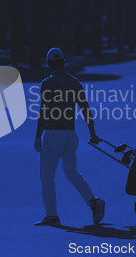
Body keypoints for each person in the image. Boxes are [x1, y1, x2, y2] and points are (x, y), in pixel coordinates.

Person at [34, 47, 105, 226]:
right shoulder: (74, 82)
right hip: (70, 135)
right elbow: (85, 108)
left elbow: (44, 111)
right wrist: (93, 133)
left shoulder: (47, 82)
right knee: (71, 172)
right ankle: (93, 202)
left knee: (46, 176)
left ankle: (52, 215)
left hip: (54, 134)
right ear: (64, 62)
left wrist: (37, 136)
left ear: (49, 64)